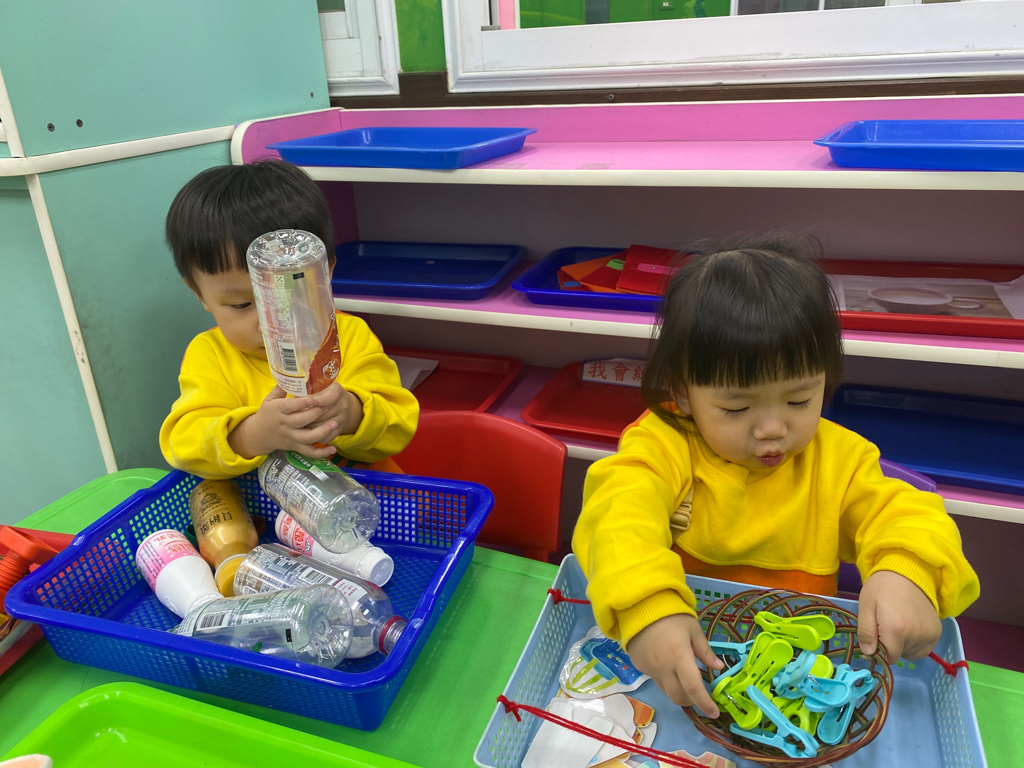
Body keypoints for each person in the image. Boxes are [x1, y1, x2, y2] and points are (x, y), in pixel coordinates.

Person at [571, 239, 979, 719]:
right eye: (737, 407)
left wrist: (907, 572)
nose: (772, 429)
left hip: (800, 669)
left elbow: (907, 514)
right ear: (682, 392)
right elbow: (617, 515)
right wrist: (647, 607)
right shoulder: (665, 443)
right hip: (688, 655)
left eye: (799, 400)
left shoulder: (839, 460)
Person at [160, 160, 418, 479]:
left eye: (289, 299)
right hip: (262, 506)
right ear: (200, 294)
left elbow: (399, 425)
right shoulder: (211, 355)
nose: (272, 326)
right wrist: (252, 435)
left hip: (365, 497)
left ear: (324, 273)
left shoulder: (348, 335)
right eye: (242, 304)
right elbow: (184, 445)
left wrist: (350, 413)